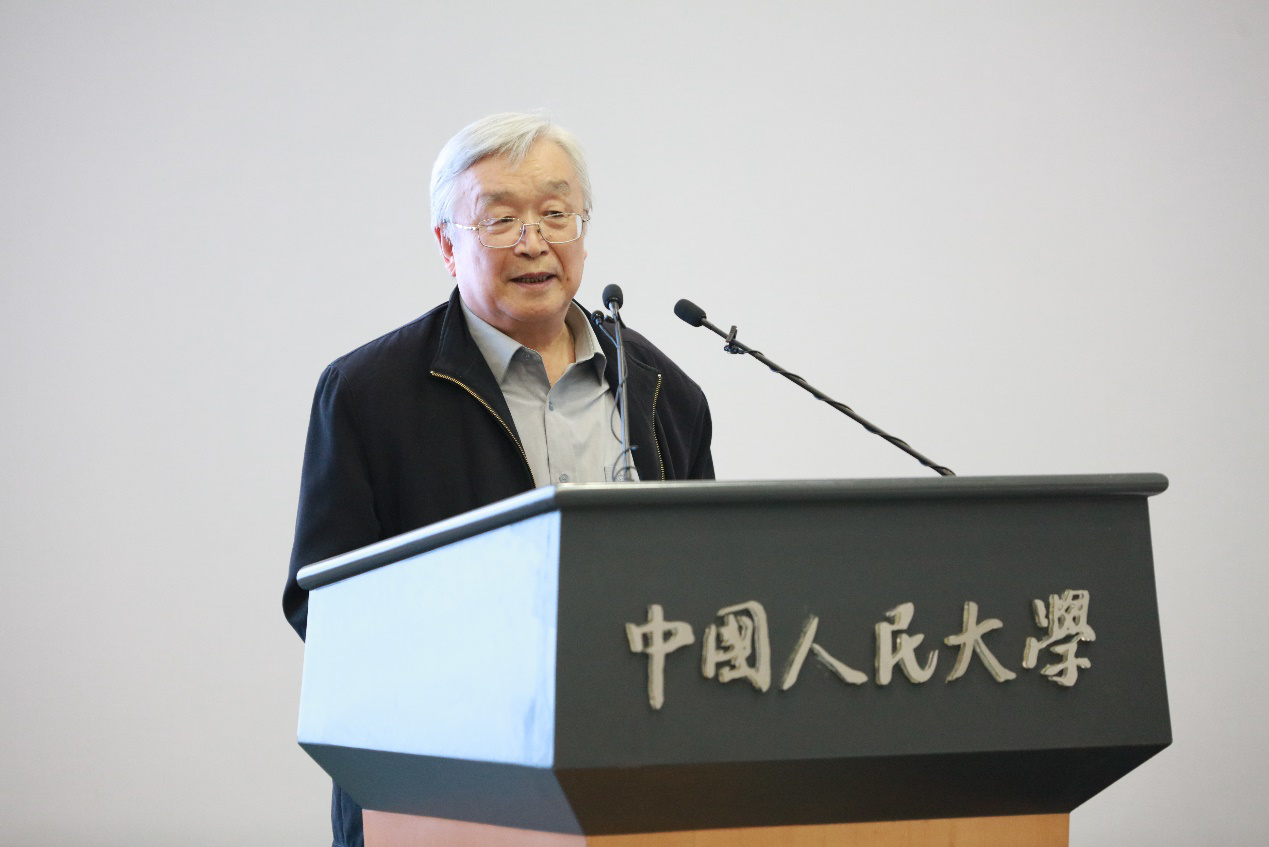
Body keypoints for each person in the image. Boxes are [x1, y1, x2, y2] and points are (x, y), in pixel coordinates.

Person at [282, 112, 715, 847]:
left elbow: (705, 585)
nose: (533, 240)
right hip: (442, 789)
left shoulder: (662, 391)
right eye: (500, 219)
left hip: (631, 780)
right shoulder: (368, 393)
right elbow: (322, 607)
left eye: (555, 214)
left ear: (583, 231)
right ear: (447, 244)